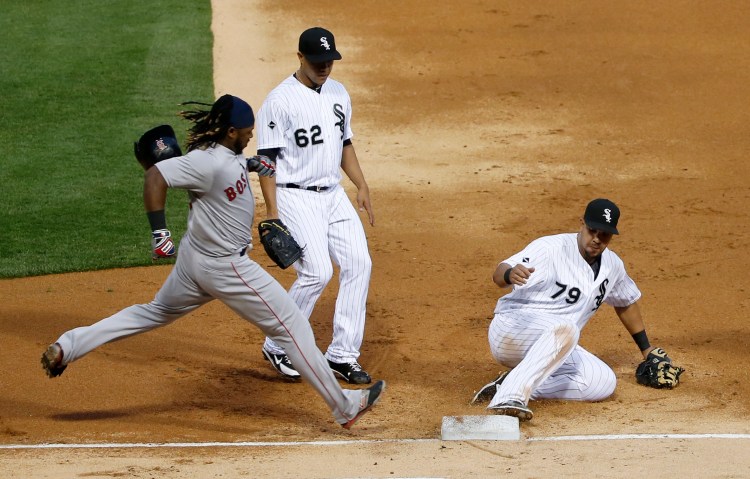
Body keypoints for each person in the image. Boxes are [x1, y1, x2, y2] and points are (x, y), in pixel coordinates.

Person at [40, 94, 384, 429]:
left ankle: (68, 346)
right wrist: (160, 233)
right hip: (227, 268)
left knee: (154, 312)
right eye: (247, 130)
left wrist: (250, 163)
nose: (252, 134)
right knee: (292, 327)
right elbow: (155, 177)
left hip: (195, 263)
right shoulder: (206, 161)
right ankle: (344, 407)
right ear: (231, 131)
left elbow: (223, 169)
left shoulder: (221, 151)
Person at [470, 198, 684, 421]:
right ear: (582, 223)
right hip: (512, 330)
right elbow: (499, 273)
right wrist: (509, 274)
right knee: (567, 327)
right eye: (593, 231)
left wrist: (646, 349)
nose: (597, 240)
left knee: (601, 381)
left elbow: (625, 301)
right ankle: (510, 398)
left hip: (556, 342)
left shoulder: (612, 265)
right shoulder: (550, 248)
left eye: (605, 235)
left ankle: (507, 385)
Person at [254, 27, 375, 384]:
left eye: (329, 61)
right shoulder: (280, 100)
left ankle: (341, 355)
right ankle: (278, 345)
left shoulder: (338, 92)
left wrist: (361, 183)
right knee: (317, 272)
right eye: (318, 61)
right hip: (295, 194)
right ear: (300, 58)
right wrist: (272, 213)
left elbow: (345, 143)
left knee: (359, 263)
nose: (325, 67)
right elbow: (266, 160)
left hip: (333, 194)